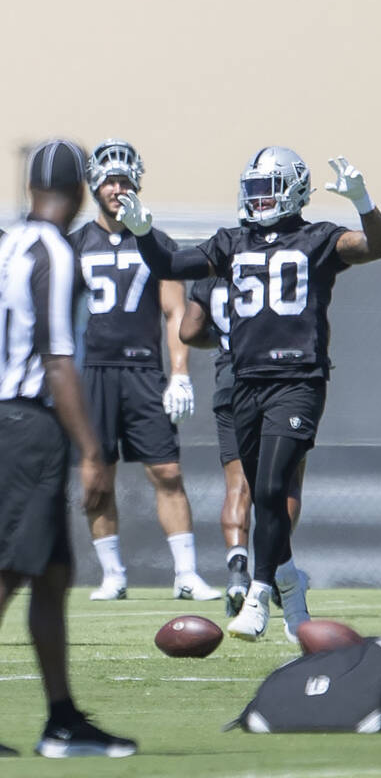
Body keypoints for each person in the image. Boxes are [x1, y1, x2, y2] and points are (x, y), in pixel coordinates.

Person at [126, 148, 381, 641]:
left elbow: (377, 246)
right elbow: (171, 262)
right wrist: (143, 234)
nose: (259, 198)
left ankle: (259, 592)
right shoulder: (233, 241)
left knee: (271, 488)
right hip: (245, 381)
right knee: (263, 498)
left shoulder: (318, 238)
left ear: (293, 190)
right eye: (253, 188)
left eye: (268, 188)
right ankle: (291, 587)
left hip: (298, 380)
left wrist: (363, 201)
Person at [0, 139, 137, 757]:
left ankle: (61, 721)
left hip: (11, 420)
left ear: (31, 188)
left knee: (54, 574)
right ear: (80, 192)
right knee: (7, 573)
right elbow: (58, 360)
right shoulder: (54, 251)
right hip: (28, 425)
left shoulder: (5, 245)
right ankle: (60, 719)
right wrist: (90, 451)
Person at [70, 139, 219, 602]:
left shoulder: (154, 240)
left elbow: (175, 313)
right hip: (90, 371)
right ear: (95, 184)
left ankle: (186, 574)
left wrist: (179, 373)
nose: (118, 189)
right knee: (97, 477)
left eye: (125, 181)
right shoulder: (74, 244)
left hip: (142, 371)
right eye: (110, 181)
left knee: (168, 472)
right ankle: (112, 574)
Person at [179, 276, 305, 616]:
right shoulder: (276, 265)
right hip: (280, 382)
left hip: (230, 383)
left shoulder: (210, 276)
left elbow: (188, 332)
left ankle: (237, 566)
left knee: (238, 486)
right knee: (285, 484)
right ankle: (278, 567)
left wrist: (223, 339)